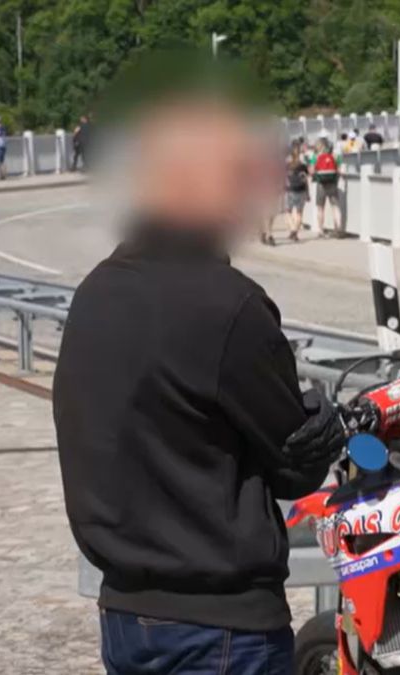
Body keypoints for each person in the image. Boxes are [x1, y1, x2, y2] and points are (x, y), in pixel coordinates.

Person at [53, 50, 344, 675]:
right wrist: (326, 426)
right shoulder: (229, 306)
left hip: (127, 619)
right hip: (222, 628)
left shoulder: (96, 292)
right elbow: (293, 465)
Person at [311, 139, 343, 237]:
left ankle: (320, 230)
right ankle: (338, 229)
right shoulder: (336, 156)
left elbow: (312, 171)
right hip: (333, 183)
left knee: (320, 208)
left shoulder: (316, 156)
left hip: (321, 184)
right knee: (335, 207)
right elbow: (340, 170)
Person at [282, 144, 309, 243]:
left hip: (290, 190)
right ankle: (295, 233)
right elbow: (306, 179)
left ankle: (293, 229)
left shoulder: (287, 165)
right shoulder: (303, 166)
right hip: (301, 190)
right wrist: (308, 193)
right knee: (299, 213)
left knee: (287, 212)